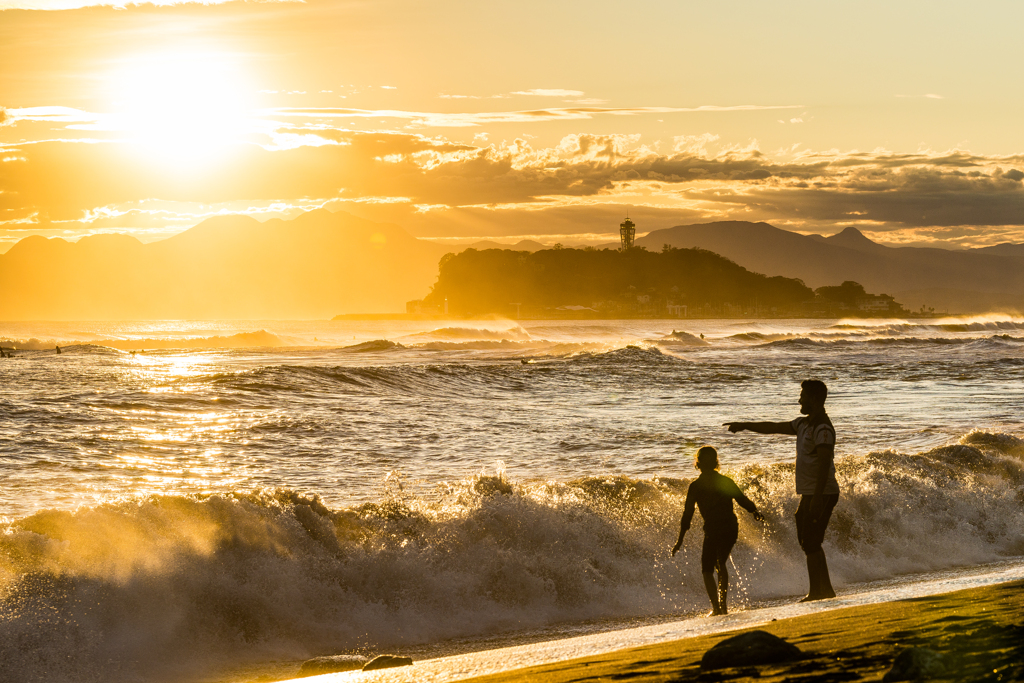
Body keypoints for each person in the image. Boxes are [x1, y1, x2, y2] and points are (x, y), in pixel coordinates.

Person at [724, 379, 839, 602]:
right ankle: (825, 589)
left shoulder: (822, 428)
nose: (799, 400)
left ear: (814, 399)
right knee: (808, 540)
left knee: (811, 542)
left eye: (803, 396)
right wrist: (745, 424)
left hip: (822, 493)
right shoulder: (803, 424)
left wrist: (816, 498)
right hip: (811, 493)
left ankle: (819, 591)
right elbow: (774, 427)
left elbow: (825, 463)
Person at [671, 446, 764, 616]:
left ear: (697, 463)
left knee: (708, 569)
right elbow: (742, 499)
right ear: (716, 462)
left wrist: (680, 540)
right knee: (720, 563)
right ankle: (723, 606)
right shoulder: (725, 481)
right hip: (730, 527)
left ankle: (717, 608)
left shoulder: (696, 486)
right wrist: (755, 511)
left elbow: (687, 514)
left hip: (714, 529)